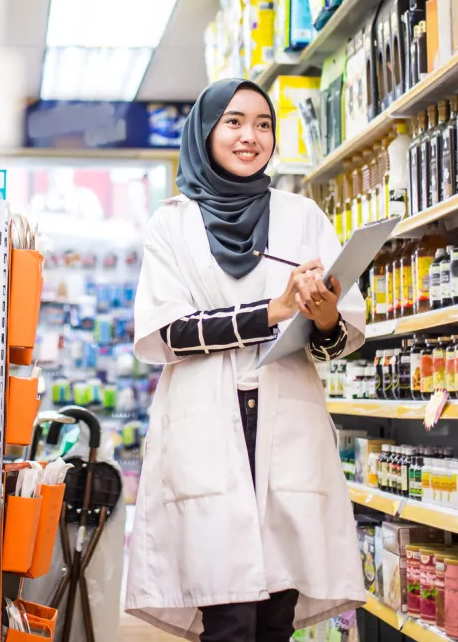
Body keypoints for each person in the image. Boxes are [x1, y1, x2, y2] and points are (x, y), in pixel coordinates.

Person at [125, 78, 369, 641]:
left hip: (287, 422)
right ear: (206, 131)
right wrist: (274, 308)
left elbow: (333, 341)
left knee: (275, 614)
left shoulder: (302, 214)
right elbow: (169, 332)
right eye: (233, 121)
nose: (249, 136)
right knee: (228, 615)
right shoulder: (173, 222)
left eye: (263, 124)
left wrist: (324, 312)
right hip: (207, 425)